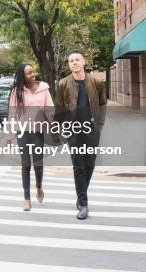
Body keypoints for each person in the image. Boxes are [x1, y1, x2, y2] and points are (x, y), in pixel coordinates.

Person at [55, 50, 107, 220]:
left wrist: (99, 125)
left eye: (77, 60)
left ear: (84, 62)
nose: (74, 63)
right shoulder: (63, 84)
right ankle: (83, 204)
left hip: (92, 129)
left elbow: (102, 103)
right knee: (78, 166)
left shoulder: (97, 82)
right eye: (71, 61)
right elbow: (60, 108)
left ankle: (81, 195)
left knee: (90, 164)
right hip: (73, 130)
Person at [8, 64, 54, 211]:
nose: (33, 74)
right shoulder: (17, 92)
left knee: (38, 164)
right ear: (22, 76)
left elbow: (49, 109)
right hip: (23, 133)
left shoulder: (44, 88)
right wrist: (10, 134)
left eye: (33, 71)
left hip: (38, 132)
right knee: (26, 165)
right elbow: (13, 114)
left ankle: (39, 186)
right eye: (29, 73)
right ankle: (27, 199)